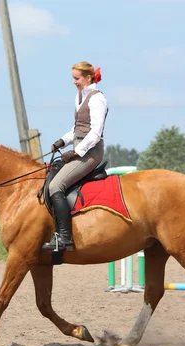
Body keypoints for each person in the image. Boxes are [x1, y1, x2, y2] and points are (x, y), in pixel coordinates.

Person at [42, 61, 108, 252]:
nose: (74, 82)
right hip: (79, 148)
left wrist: (76, 152)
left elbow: (95, 133)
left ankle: (64, 238)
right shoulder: (80, 96)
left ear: (88, 78)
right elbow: (77, 129)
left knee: (56, 186)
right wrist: (62, 141)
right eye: (73, 78)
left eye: (76, 78)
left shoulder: (97, 99)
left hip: (90, 153)